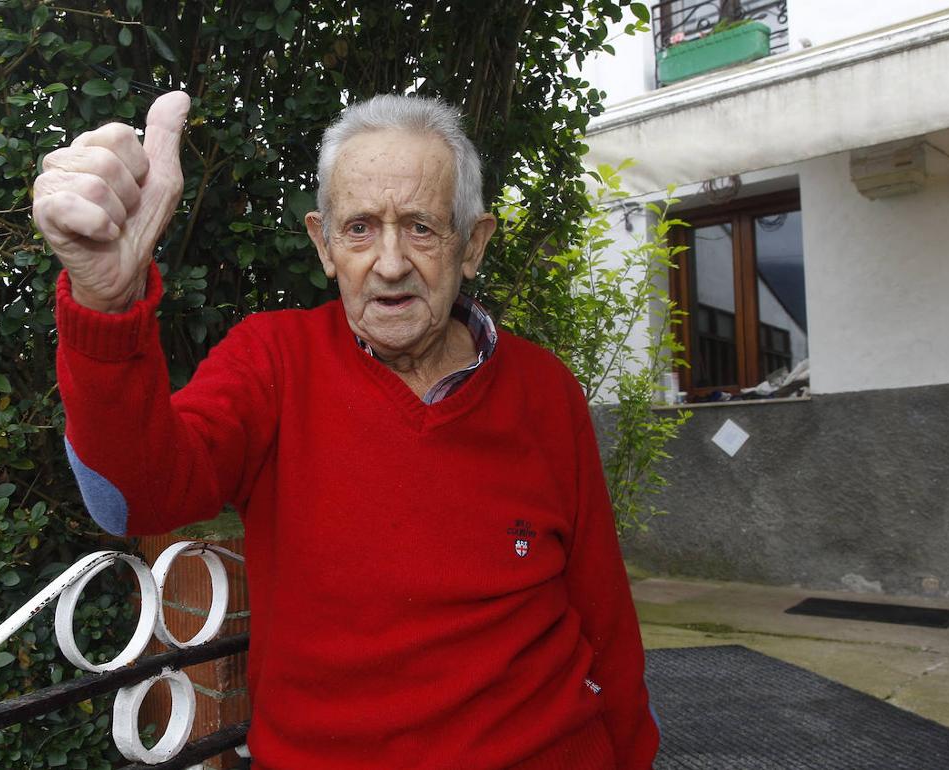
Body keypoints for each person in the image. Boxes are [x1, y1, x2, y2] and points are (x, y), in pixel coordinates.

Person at [33, 90, 659, 770]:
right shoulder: (272, 363)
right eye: (359, 228)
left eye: (422, 227)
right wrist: (106, 303)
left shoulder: (544, 390)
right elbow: (129, 497)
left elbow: (604, 618)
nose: (389, 263)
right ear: (324, 245)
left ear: (473, 244)